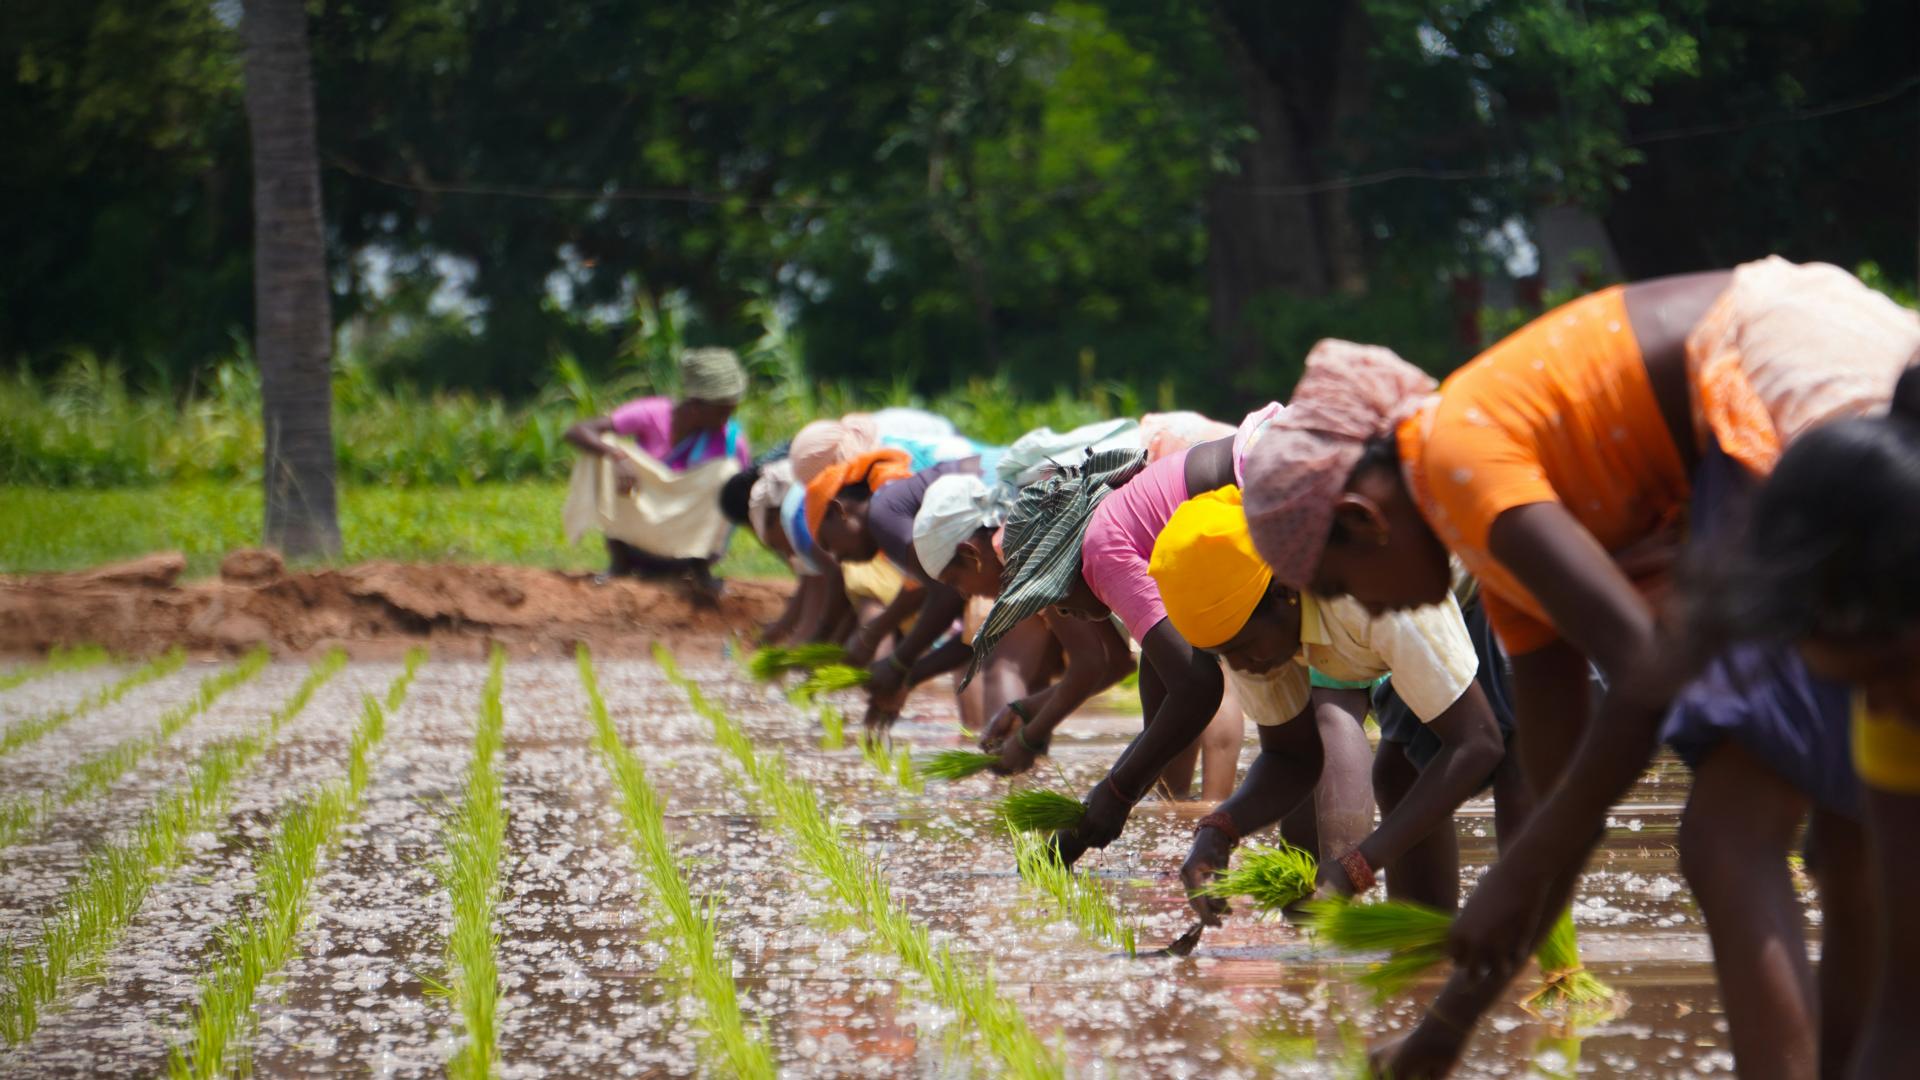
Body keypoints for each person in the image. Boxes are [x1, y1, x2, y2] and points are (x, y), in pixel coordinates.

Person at [1238, 257, 1919, 1078]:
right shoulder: (1510, 567)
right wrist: (1444, 1032)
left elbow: (1645, 667)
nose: (1369, 613)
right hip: (1808, 358)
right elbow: (1564, 800)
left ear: (1362, 519)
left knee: (1730, 831)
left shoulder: (1453, 459)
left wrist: (1522, 864)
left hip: (1778, 369)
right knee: (1843, 841)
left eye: (1343, 588)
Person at [1693, 363, 1920, 1079]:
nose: (1881, 710)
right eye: (1854, 688)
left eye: (1884, 674)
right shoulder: (1892, 709)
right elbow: (1905, 1005)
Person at [1149, 487, 1512, 917]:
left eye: (1244, 647)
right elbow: (1290, 758)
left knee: (1520, 779)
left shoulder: (1369, 590)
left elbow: (1478, 742)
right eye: (1225, 653)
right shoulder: (1256, 625)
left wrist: (1358, 865)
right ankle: (1424, 953)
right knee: (1401, 772)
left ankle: (1532, 959)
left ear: (1285, 592)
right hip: (1433, 606)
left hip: (1502, 574)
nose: (1241, 665)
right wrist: (1219, 830)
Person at [969, 409, 1283, 861]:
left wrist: (1115, 792)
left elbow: (1199, 685)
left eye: (1053, 596)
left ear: (1066, 565)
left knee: (1323, 713)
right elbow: (1164, 707)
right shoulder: (1125, 529)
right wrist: (1115, 810)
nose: (1061, 611)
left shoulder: (1102, 548)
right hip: (1268, 464)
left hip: (1271, 477)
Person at [912, 471, 1138, 770]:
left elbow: (1090, 664)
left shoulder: (1025, 555)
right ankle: (1178, 803)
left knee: (1173, 685)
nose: (964, 593)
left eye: (956, 581)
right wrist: (1026, 708)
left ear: (971, 554)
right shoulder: (1019, 550)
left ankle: (1200, 804)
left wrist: (1028, 737)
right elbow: (1117, 663)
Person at [562, 347, 751, 600]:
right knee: (606, 445)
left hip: (684, 549)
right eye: (723, 410)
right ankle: (620, 562)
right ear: (696, 406)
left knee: (729, 473)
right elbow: (577, 432)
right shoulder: (653, 413)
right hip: (636, 539)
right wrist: (616, 456)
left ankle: (699, 569)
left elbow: (741, 499)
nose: (728, 417)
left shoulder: (731, 442)